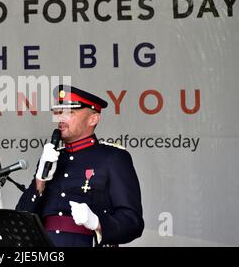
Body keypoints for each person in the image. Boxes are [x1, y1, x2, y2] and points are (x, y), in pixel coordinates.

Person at [16, 85, 144, 247]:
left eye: (69, 112)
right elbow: (21, 219)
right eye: (58, 112)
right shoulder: (52, 158)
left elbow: (133, 222)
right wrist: (39, 180)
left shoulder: (113, 158)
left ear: (93, 119)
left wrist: (97, 222)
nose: (60, 118)